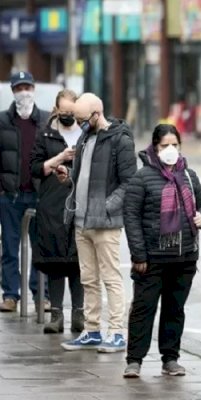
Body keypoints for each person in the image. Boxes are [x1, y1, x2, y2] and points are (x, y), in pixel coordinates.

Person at [122, 124, 201, 378]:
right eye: (164, 145)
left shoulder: (189, 176)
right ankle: (134, 360)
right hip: (152, 258)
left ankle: (170, 358)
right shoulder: (142, 177)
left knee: (175, 309)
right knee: (143, 308)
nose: (170, 150)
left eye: (175, 145)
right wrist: (138, 255)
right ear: (155, 146)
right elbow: (131, 216)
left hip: (184, 257)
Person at [56, 93, 137, 353]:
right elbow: (85, 176)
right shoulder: (85, 137)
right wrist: (69, 175)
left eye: (81, 119)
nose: (77, 124)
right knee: (88, 279)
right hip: (81, 221)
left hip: (105, 223)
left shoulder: (120, 140)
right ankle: (92, 330)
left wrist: (105, 207)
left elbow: (129, 183)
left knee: (111, 278)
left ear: (96, 114)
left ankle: (117, 333)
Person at [30, 89, 84, 333]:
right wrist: (60, 157)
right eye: (63, 112)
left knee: (78, 262)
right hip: (52, 203)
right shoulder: (46, 133)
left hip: (79, 202)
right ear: (56, 110)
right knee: (54, 262)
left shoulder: (86, 133)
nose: (67, 116)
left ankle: (79, 315)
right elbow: (34, 168)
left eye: (71, 112)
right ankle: (56, 316)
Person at [0, 71, 49, 312]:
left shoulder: (46, 121)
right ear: (13, 91)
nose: (24, 92)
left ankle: (41, 293)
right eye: (19, 88)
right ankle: (10, 295)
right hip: (10, 197)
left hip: (40, 196)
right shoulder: (2, 121)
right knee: (10, 248)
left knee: (40, 248)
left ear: (34, 88)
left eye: (27, 87)